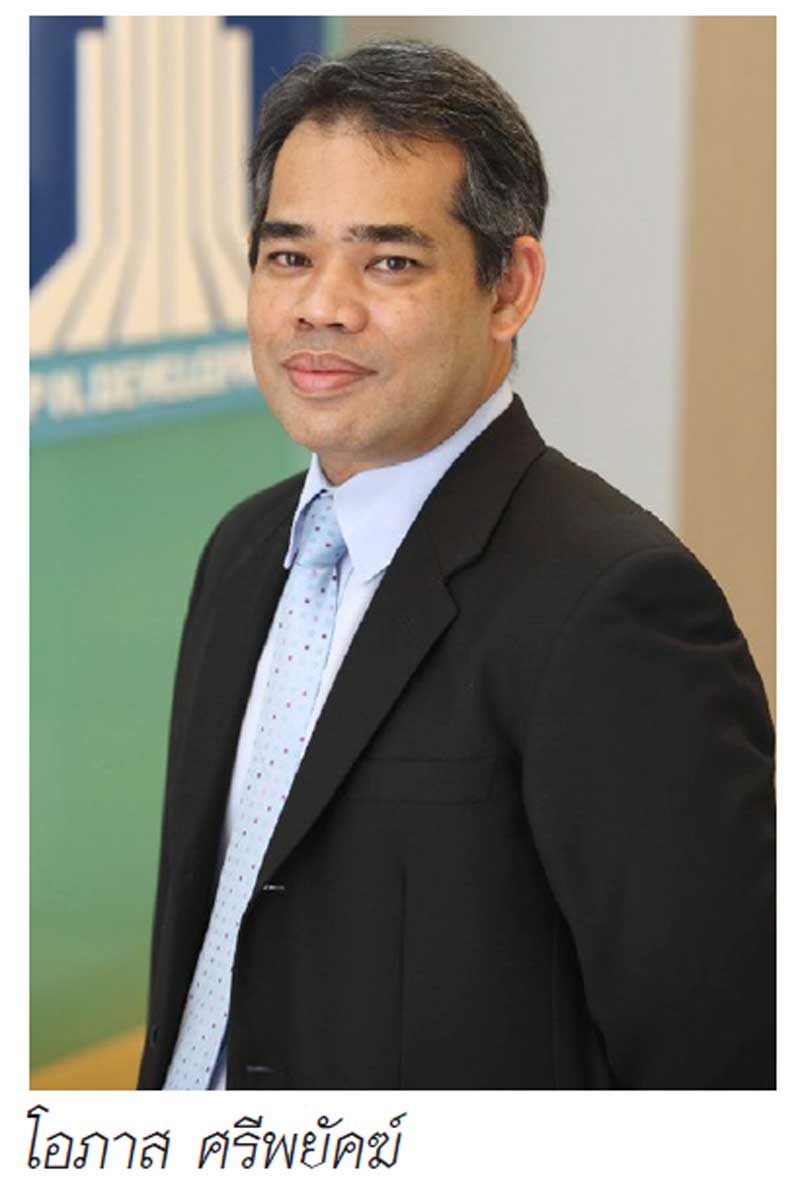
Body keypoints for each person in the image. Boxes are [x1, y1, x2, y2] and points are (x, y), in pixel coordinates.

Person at [138, 39, 775, 1091]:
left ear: (508, 287)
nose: (320, 307)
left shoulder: (612, 606)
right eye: (287, 257)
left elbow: (718, 1060)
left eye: (389, 262)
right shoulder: (242, 554)